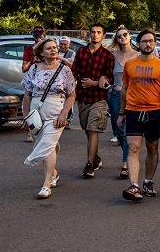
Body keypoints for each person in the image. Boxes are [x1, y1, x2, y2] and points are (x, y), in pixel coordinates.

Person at [118, 28, 160, 201]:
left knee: (152, 148)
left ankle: (148, 182)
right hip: (133, 111)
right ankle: (134, 186)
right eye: (144, 41)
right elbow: (125, 89)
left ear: (155, 44)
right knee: (134, 148)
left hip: (155, 112)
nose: (148, 44)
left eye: (151, 41)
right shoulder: (130, 64)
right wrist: (122, 113)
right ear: (138, 43)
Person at [21, 38, 77, 199]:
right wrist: (26, 117)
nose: (53, 50)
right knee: (48, 146)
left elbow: (71, 94)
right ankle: (54, 173)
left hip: (56, 111)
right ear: (41, 52)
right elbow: (27, 95)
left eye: (55, 48)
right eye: (49, 48)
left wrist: (64, 114)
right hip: (36, 112)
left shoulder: (64, 70)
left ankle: (46, 184)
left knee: (47, 143)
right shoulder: (33, 69)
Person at [71, 24, 114, 178]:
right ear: (89, 34)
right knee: (88, 131)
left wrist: (95, 83)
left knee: (93, 129)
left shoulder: (107, 55)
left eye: (98, 32)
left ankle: (89, 165)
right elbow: (74, 71)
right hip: (82, 97)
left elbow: (110, 78)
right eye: (93, 32)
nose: (95, 35)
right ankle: (95, 157)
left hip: (99, 98)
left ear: (103, 35)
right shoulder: (81, 52)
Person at [107, 27, 136, 171]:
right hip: (115, 95)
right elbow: (107, 75)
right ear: (117, 39)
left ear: (130, 36)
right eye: (119, 36)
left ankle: (125, 163)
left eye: (125, 34)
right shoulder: (113, 55)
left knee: (127, 132)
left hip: (133, 96)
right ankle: (126, 154)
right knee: (118, 131)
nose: (123, 37)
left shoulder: (138, 55)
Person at [21, 25, 46, 142]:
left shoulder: (47, 48)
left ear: (44, 35)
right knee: (29, 105)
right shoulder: (28, 49)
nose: (38, 38)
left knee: (43, 106)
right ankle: (28, 131)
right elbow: (24, 68)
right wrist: (32, 61)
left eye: (40, 35)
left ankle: (42, 132)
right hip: (32, 78)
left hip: (44, 79)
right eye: (36, 36)